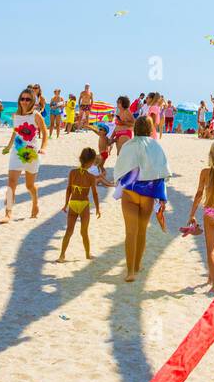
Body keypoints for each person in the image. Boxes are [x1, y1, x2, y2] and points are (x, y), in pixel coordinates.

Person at [113, 117, 171, 282]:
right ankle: (137, 266)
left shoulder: (128, 145)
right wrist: (162, 198)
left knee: (130, 232)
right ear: (150, 129)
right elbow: (162, 172)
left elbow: (120, 169)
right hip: (148, 193)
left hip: (130, 192)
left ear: (136, 128)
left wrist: (119, 183)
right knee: (142, 231)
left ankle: (130, 271)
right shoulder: (155, 146)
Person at [187, 140, 214, 293]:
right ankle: (210, 278)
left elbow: (199, 194)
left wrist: (192, 214)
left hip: (210, 213)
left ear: (212, 155)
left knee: (210, 250)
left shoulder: (205, 172)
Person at [0, 89, 48, 222]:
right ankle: (8, 213)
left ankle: (35, 203)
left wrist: (43, 147)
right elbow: (15, 132)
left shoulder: (36, 115)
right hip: (17, 152)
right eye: (22, 99)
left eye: (28, 99)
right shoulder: (16, 115)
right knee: (11, 183)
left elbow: (44, 131)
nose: (24, 101)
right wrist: (9, 147)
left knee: (29, 186)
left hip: (31, 153)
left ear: (32, 101)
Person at [58, 147, 102, 261]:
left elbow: (68, 189)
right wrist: (97, 208)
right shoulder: (91, 177)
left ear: (80, 158)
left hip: (73, 203)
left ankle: (62, 255)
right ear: (92, 162)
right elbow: (95, 194)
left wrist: (65, 204)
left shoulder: (72, 172)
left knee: (69, 231)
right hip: (84, 205)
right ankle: (88, 254)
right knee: (84, 232)